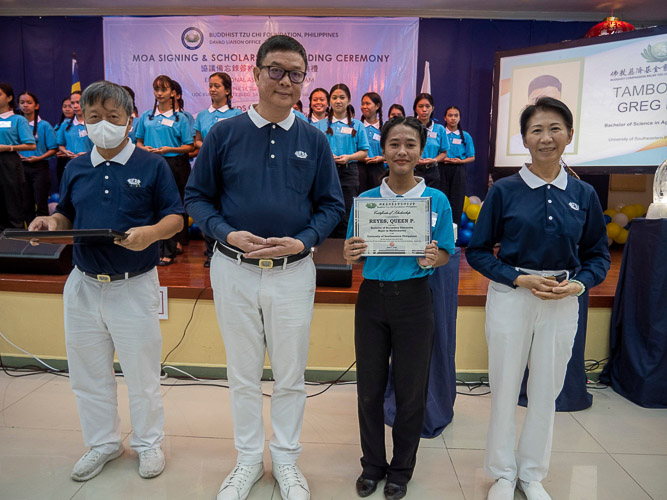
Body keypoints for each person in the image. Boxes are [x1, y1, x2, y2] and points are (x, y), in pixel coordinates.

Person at [184, 35, 344, 500]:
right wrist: (225, 233)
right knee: (243, 372)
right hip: (232, 269)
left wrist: (307, 239)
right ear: (254, 74)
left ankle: (288, 461)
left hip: (294, 272)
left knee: (292, 374)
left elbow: (332, 205)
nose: (286, 81)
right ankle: (249, 461)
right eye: (276, 70)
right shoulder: (224, 134)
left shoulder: (314, 139)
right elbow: (196, 197)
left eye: (296, 73)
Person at [28, 81, 183, 482]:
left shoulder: (152, 165)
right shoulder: (77, 166)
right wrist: (49, 223)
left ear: (129, 120)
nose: (102, 125)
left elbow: (175, 217)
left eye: (112, 118)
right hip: (82, 285)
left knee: (142, 376)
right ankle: (103, 443)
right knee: (87, 374)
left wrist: (150, 234)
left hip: (133, 286)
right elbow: (65, 215)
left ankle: (149, 444)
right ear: (83, 120)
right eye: (93, 118)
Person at [466, 97, 610, 500]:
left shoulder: (583, 193)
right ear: (524, 139)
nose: (546, 138)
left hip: (563, 300)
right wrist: (518, 279)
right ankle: (502, 474)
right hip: (512, 296)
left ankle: (531, 473)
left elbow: (598, 254)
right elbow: (477, 252)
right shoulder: (505, 190)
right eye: (536, 130)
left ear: (569, 134)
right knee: (505, 386)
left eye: (554, 129)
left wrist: (579, 285)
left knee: (547, 390)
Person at [343, 116, 455, 500]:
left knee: (410, 392)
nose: (402, 151)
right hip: (372, 299)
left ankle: (401, 470)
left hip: (414, 301)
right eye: (394, 144)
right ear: (382, 151)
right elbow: (352, 255)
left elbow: (445, 253)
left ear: (421, 151)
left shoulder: (436, 201)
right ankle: (372, 464)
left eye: (410, 144)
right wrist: (349, 253)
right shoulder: (366, 202)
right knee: (369, 391)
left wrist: (432, 257)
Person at [135, 74, 194, 265]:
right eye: (157, 89)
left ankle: (171, 247)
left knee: (173, 207)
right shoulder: (146, 116)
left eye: (164, 89)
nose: (159, 93)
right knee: (151, 205)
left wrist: (169, 149)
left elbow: (189, 146)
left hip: (175, 164)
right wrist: (146, 149)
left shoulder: (182, 117)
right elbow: (138, 142)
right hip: (151, 163)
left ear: (173, 93)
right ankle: (155, 247)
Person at [193, 72, 242, 267]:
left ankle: (228, 247)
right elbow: (196, 141)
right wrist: (207, 146)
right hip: (206, 167)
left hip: (229, 169)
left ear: (227, 90)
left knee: (226, 207)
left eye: (217, 86)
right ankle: (210, 251)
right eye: (211, 85)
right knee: (208, 207)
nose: (212, 89)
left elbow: (240, 143)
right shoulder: (202, 115)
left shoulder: (236, 115)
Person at [313, 83, 369, 238]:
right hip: (325, 172)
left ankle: (344, 251)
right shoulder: (319, 125)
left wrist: (349, 157)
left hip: (349, 172)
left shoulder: (357, 125)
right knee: (324, 208)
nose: (338, 101)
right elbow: (313, 150)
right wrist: (326, 157)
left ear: (349, 100)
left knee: (347, 211)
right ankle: (324, 249)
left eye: (342, 97)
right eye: (334, 97)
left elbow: (364, 152)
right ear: (330, 101)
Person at [18, 91, 58, 223]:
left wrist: (39, 158)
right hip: (21, 167)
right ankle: (30, 234)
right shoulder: (17, 124)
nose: (25, 106)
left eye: (29, 102)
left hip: (39, 167)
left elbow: (53, 149)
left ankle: (44, 234)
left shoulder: (44, 125)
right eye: (22, 103)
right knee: (26, 204)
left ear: (36, 106)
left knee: (41, 202)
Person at [0, 82, 36, 229]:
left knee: (12, 203)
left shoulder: (18, 120)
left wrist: (7, 147)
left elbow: (31, 144)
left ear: (9, 98)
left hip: (9, 161)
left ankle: (17, 242)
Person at [440, 105, 475, 225]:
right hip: (441, 169)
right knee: (442, 200)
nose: (453, 118)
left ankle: (454, 236)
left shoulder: (465, 136)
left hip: (458, 170)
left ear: (459, 118)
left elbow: (472, 157)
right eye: (450, 115)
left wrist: (460, 161)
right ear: (445, 118)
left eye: (456, 115)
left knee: (457, 201)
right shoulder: (440, 132)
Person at [413, 93, 447, 189]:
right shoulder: (409, 127)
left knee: (432, 200)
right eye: (420, 106)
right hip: (413, 170)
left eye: (427, 106)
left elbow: (444, 152)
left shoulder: (440, 129)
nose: (424, 110)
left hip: (432, 171)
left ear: (432, 108)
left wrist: (434, 160)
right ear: (415, 109)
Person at [56, 91, 93, 174]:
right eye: (72, 103)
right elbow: (61, 144)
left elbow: (101, 147)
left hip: (90, 164)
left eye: (78, 102)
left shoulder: (94, 122)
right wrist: (66, 152)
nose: (75, 106)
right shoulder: (65, 124)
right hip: (72, 164)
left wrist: (86, 154)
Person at [359, 92, 385, 191]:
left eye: (368, 103)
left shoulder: (384, 128)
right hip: (360, 168)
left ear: (377, 106)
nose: (364, 106)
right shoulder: (357, 126)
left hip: (378, 169)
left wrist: (382, 158)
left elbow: (390, 150)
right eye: (362, 104)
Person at [54, 96, 74, 184]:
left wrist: (66, 152)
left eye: (70, 106)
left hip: (73, 158)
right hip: (61, 161)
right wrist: (56, 151)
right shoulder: (59, 125)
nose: (67, 109)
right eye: (64, 106)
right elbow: (54, 143)